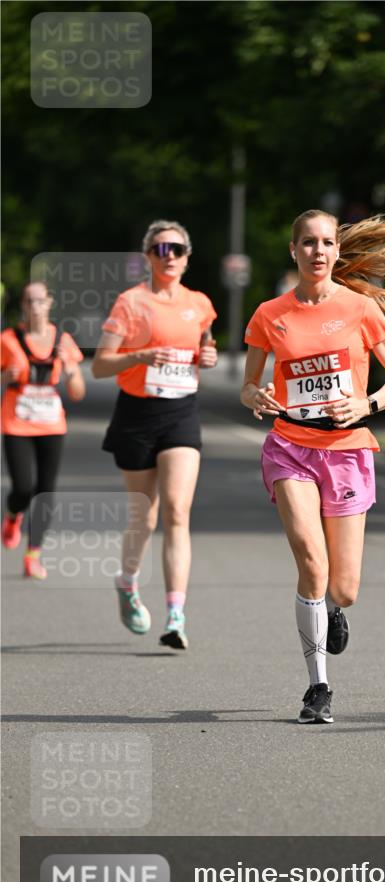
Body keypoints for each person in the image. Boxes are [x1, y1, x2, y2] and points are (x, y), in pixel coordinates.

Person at [241, 210, 385, 723]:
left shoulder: (361, 309)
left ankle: (333, 610)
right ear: (293, 250)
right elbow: (249, 385)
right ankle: (318, 687)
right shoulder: (270, 314)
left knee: (344, 588)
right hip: (290, 447)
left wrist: (367, 405)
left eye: (326, 243)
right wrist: (256, 395)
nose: (317, 251)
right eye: (308, 242)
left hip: (346, 450)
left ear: (337, 252)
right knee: (312, 566)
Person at [92, 220, 217, 649]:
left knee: (177, 511)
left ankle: (176, 615)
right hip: (137, 414)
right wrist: (141, 355)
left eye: (177, 249)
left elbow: (205, 345)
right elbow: (100, 365)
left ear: (187, 257)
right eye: (161, 249)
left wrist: (208, 355)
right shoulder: (130, 303)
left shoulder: (199, 303)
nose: (169, 256)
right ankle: (127, 583)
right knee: (144, 516)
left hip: (181, 412)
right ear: (148, 256)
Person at [1, 280, 85, 579]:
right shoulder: (8, 339)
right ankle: (13, 515)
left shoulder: (63, 341)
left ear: (50, 303)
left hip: (51, 423)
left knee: (45, 491)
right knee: (23, 487)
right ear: (23, 306)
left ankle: (33, 555)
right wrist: (5, 377)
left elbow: (77, 393)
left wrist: (71, 371)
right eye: (29, 301)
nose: (35, 306)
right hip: (16, 423)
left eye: (40, 300)